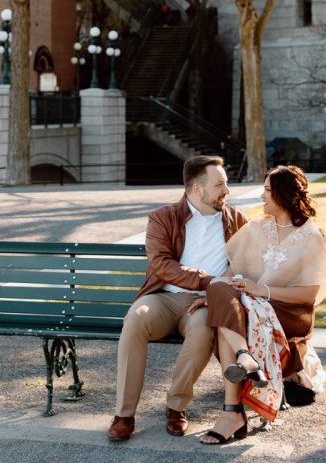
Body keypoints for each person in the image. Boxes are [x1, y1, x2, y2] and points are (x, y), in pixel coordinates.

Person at [107, 155, 248, 442]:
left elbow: (249, 260)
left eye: (227, 183)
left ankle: (176, 407)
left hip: (204, 304)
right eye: (220, 184)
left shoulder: (236, 221)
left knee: (203, 327)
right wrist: (207, 280)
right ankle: (124, 414)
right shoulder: (163, 217)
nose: (227, 190)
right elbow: (161, 264)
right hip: (163, 299)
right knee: (135, 318)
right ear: (197, 188)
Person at [191, 164, 326, 445]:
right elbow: (232, 273)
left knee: (227, 320)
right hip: (251, 304)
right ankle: (244, 361)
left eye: (268, 190)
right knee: (219, 288)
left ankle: (234, 411)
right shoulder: (257, 227)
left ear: (283, 195)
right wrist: (212, 296)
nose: (262, 196)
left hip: (289, 313)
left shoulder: (310, 235)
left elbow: (308, 295)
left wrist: (262, 290)